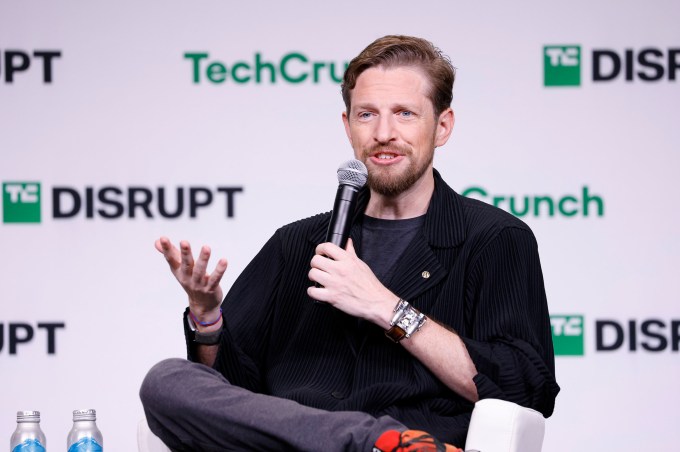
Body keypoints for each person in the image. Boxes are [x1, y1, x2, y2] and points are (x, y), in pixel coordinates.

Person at [140, 35, 559, 452]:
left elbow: (524, 387)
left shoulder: (494, 239)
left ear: (443, 126)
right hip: (300, 445)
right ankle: (373, 440)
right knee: (166, 380)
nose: (383, 133)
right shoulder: (295, 244)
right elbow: (231, 390)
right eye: (367, 115)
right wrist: (208, 316)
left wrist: (387, 308)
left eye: (405, 114)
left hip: (419, 439)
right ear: (347, 126)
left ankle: (384, 442)